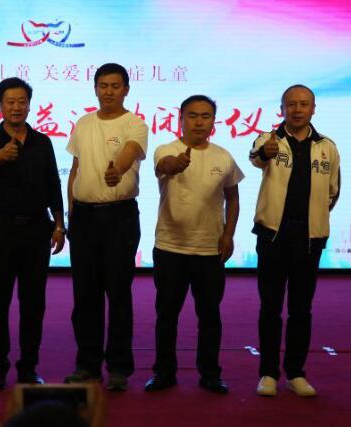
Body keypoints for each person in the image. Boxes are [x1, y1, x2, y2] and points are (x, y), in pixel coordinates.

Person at [144, 95, 243, 394]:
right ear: (181, 118)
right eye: (192, 115)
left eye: (205, 116)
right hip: (170, 247)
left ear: (213, 121)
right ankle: (164, 373)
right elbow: (165, 165)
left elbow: (233, 198)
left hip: (209, 250)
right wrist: (177, 164)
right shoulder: (167, 149)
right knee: (167, 315)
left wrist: (228, 234)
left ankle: (210, 374)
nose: (199, 122)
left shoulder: (223, 157)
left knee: (210, 316)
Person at [250, 84, 340, 397]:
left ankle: (296, 373)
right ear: (282, 109)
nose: (297, 110)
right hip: (273, 236)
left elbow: (332, 192)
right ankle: (268, 374)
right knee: (270, 307)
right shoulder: (268, 140)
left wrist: (313, 218)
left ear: (313, 109)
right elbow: (256, 157)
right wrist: (265, 153)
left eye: (303, 104)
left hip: (309, 239)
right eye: (291, 104)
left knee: (302, 309)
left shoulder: (327, 147)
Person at [0, 77, 65, 390]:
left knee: (34, 303)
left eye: (22, 102)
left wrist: (59, 224)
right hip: (0, 229)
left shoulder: (42, 141)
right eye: (10, 101)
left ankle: (28, 367)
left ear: (29, 105)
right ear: (0, 105)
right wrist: (2, 154)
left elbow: (53, 183)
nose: (16, 107)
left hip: (37, 230)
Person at [65, 63, 148, 391]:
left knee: (118, 293)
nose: (108, 91)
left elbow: (129, 153)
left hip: (119, 218)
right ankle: (87, 365)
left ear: (126, 89)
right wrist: (71, 210)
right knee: (85, 295)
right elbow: (75, 168)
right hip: (83, 217)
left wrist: (117, 171)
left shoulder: (134, 124)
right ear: (95, 88)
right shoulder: (84, 123)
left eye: (115, 85)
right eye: (103, 85)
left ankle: (118, 369)